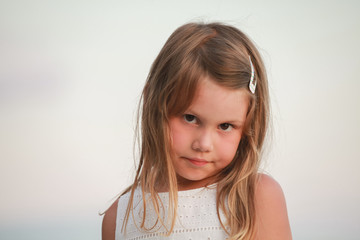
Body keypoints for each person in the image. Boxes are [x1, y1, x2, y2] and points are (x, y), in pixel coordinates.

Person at [102, 22, 292, 240]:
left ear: (248, 127)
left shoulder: (255, 198)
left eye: (225, 126)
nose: (203, 144)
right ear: (154, 104)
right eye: (190, 118)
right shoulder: (119, 218)